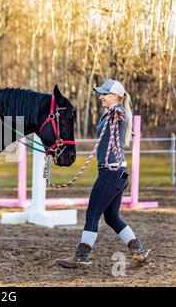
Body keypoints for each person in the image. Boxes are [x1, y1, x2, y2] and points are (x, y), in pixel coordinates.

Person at [56, 79, 150, 268]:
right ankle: (138, 251)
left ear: (115, 96)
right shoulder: (108, 114)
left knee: (92, 214)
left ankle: (81, 256)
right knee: (111, 217)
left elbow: (121, 114)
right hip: (117, 174)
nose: (100, 97)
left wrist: (117, 110)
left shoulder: (118, 113)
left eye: (104, 94)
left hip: (111, 173)